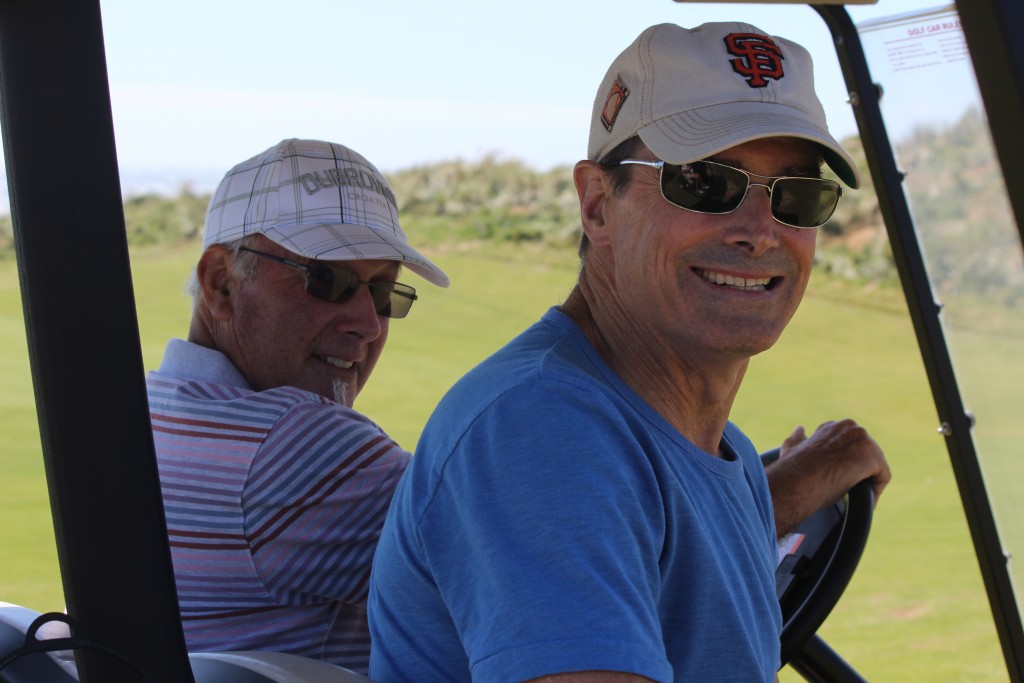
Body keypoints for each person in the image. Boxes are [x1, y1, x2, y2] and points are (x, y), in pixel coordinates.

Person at [367, 23, 890, 682]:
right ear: (596, 205)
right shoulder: (542, 429)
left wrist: (794, 483)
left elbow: (662, 538)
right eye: (704, 182)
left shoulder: (698, 441)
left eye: (797, 195)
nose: (760, 232)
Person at [146, 138, 448, 675]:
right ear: (221, 284)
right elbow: (547, 563)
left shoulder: (139, 411)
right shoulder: (300, 445)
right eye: (328, 280)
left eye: (383, 291)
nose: (368, 324)